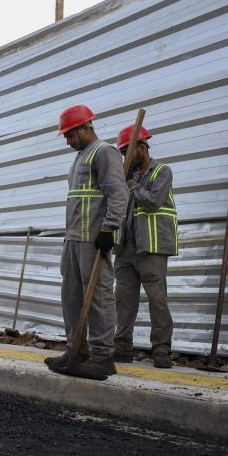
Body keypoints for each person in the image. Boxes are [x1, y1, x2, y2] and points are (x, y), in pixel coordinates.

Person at [45, 105, 129, 378]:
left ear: (86, 128)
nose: (68, 141)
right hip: (74, 237)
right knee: (71, 295)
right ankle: (76, 350)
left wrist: (109, 228)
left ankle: (103, 356)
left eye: (70, 135)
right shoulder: (80, 157)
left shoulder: (104, 152)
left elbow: (118, 193)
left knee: (99, 297)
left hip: (93, 238)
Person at [112, 125, 178, 369]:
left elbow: (152, 202)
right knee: (123, 300)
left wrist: (129, 184)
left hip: (151, 247)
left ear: (142, 147)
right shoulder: (124, 176)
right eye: (121, 153)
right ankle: (121, 347)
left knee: (157, 300)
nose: (124, 158)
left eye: (127, 152)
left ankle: (161, 350)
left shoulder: (162, 171)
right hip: (125, 248)